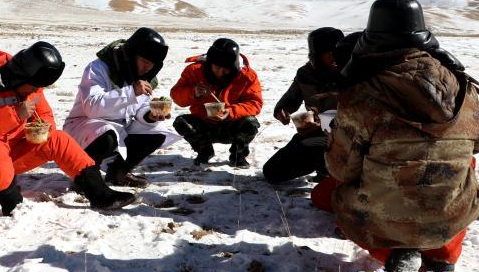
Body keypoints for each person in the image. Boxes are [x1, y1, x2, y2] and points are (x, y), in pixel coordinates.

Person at [326, 0, 479, 272]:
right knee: (464, 166)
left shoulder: (362, 94)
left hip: (384, 217)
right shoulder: (460, 84)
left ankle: (396, 252)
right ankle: (443, 255)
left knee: (342, 192)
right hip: (452, 215)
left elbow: (341, 167)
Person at [0, 41, 135, 215]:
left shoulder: (32, 84)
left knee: (58, 139)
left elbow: (45, 116)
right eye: (33, 87)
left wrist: (43, 128)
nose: (35, 91)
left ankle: (100, 194)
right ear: (20, 77)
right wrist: (14, 115)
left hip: (7, 157)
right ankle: (14, 205)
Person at [63, 28, 181, 187]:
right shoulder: (99, 68)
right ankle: (85, 177)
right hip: (83, 125)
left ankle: (118, 172)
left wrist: (149, 116)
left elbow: (140, 108)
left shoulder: (143, 77)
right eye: (145, 61)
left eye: (152, 64)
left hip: (118, 128)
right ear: (131, 54)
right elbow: (92, 107)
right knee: (107, 135)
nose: (148, 68)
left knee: (157, 133)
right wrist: (131, 92)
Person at [262, 27, 343, 183]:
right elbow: (290, 99)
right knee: (272, 172)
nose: (333, 57)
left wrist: (327, 124)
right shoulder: (306, 74)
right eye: (328, 53)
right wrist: (282, 111)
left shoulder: (351, 74)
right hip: (314, 134)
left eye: (336, 52)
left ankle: (329, 172)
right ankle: (322, 166)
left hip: (345, 138)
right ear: (317, 55)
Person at [171, 38, 263, 167]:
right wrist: (194, 92)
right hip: (204, 125)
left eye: (226, 70)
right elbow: (176, 95)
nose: (220, 73)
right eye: (217, 67)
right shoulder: (194, 71)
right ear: (210, 63)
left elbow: (255, 103)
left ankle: (238, 156)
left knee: (250, 123)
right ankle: (205, 151)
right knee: (181, 122)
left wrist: (230, 112)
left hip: (232, 126)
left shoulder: (247, 76)